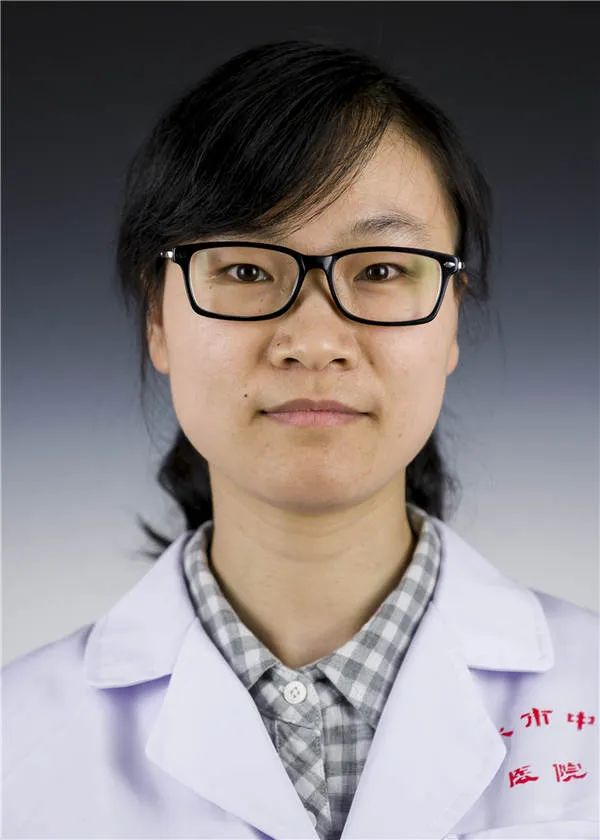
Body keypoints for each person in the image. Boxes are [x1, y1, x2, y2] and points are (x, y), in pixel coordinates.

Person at [2, 40, 597, 840]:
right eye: (247, 271)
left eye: (381, 271)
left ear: (452, 316)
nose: (315, 342)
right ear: (158, 321)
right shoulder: (15, 742)